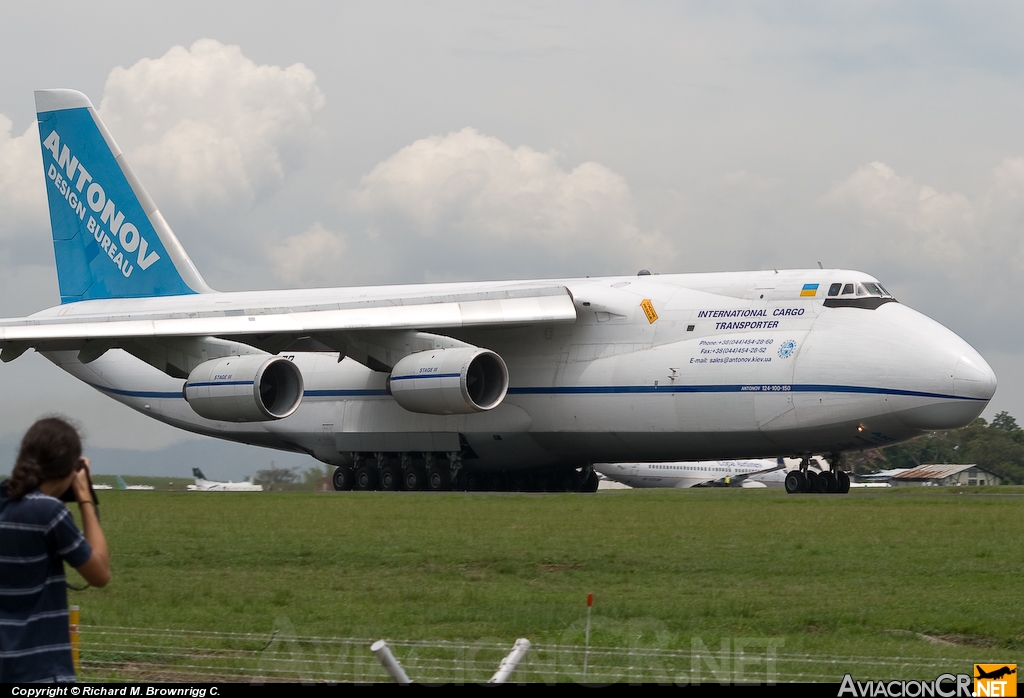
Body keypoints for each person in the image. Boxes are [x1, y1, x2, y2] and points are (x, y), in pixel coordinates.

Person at [0, 417, 110, 682]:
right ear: (70, 469)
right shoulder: (49, 513)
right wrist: (84, 497)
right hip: (41, 669)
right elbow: (100, 574)